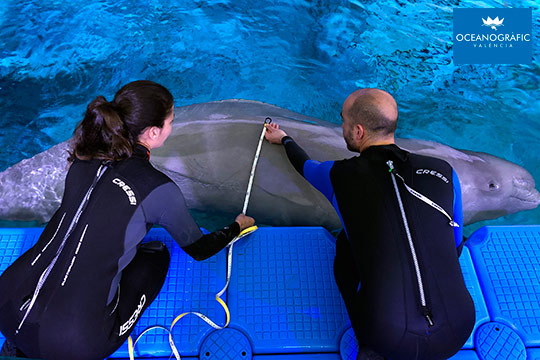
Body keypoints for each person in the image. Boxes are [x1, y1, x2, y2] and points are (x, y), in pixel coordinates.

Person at [0, 80, 255, 359]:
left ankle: (17, 343)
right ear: (155, 132)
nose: (172, 127)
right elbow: (199, 249)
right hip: (75, 343)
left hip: (7, 302)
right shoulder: (158, 188)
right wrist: (237, 226)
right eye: (171, 121)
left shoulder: (83, 156)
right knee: (157, 256)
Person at [265, 89, 475, 360]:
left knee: (344, 244)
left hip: (387, 337)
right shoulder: (444, 171)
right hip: (459, 327)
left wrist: (284, 138)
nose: (342, 127)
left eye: (343, 121)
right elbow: (456, 244)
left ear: (359, 132)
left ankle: (369, 346)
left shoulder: (338, 175)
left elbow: (304, 165)